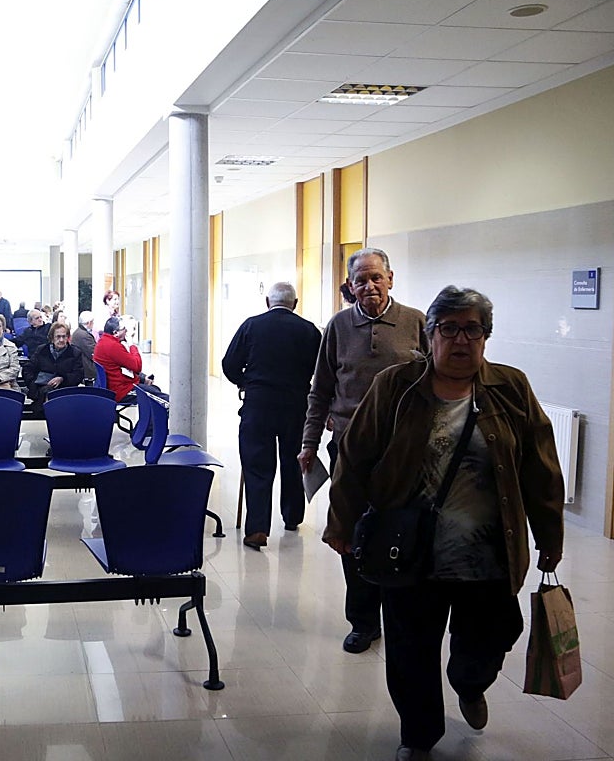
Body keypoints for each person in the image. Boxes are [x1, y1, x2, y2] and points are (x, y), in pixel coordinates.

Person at [323, 286, 564, 761]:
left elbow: (541, 466)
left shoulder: (509, 388)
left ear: (485, 337)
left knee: (494, 635)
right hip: (409, 550)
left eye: (471, 329)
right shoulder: (397, 385)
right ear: (429, 335)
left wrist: (550, 536)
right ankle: (418, 735)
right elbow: (355, 456)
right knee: (411, 653)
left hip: (489, 554)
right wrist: (342, 523)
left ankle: (469, 684)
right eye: (448, 328)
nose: (460, 340)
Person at [297, 247, 429, 654]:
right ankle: (364, 622)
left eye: (376, 277)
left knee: (403, 533)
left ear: (391, 278)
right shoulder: (337, 326)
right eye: (360, 280)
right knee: (351, 535)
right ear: (350, 286)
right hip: (350, 451)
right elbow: (320, 389)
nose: (369, 286)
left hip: (405, 453)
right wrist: (309, 442)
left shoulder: (416, 323)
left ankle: (403, 617)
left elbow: (437, 382)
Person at [222, 282, 321, 550]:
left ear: (268, 302)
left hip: (258, 404)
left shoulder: (251, 326)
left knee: (257, 465)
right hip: (296, 406)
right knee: (293, 461)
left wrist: (246, 382)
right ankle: (292, 517)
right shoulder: (309, 330)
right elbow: (322, 371)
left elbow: (229, 364)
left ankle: (257, 529)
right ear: (295, 304)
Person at [93, 315, 163, 401]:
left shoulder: (103, 342)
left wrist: (142, 378)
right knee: (160, 397)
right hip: (121, 391)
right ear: (116, 333)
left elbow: (125, 366)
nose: (126, 331)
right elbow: (137, 366)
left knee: (154, 390)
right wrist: (131, 344)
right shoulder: (113, 346)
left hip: (113, 387)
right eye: (124, 329)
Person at [25, 321, 84, 409]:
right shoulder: (41, 350)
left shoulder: (75, 353)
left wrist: (62, 378)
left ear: (68, 337)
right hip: (41, 390)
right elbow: (28, 369)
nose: (61, 340)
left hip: (65, 391)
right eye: (58, 336)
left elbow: (78, 375)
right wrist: (34, 385)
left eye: (64, 336)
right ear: (52, 338)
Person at [71, 310, 98, 382]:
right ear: (89, 323)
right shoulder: (84, 336)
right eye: (93, 322)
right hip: (88, 371)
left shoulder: (78, 332)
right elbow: (94, 353)